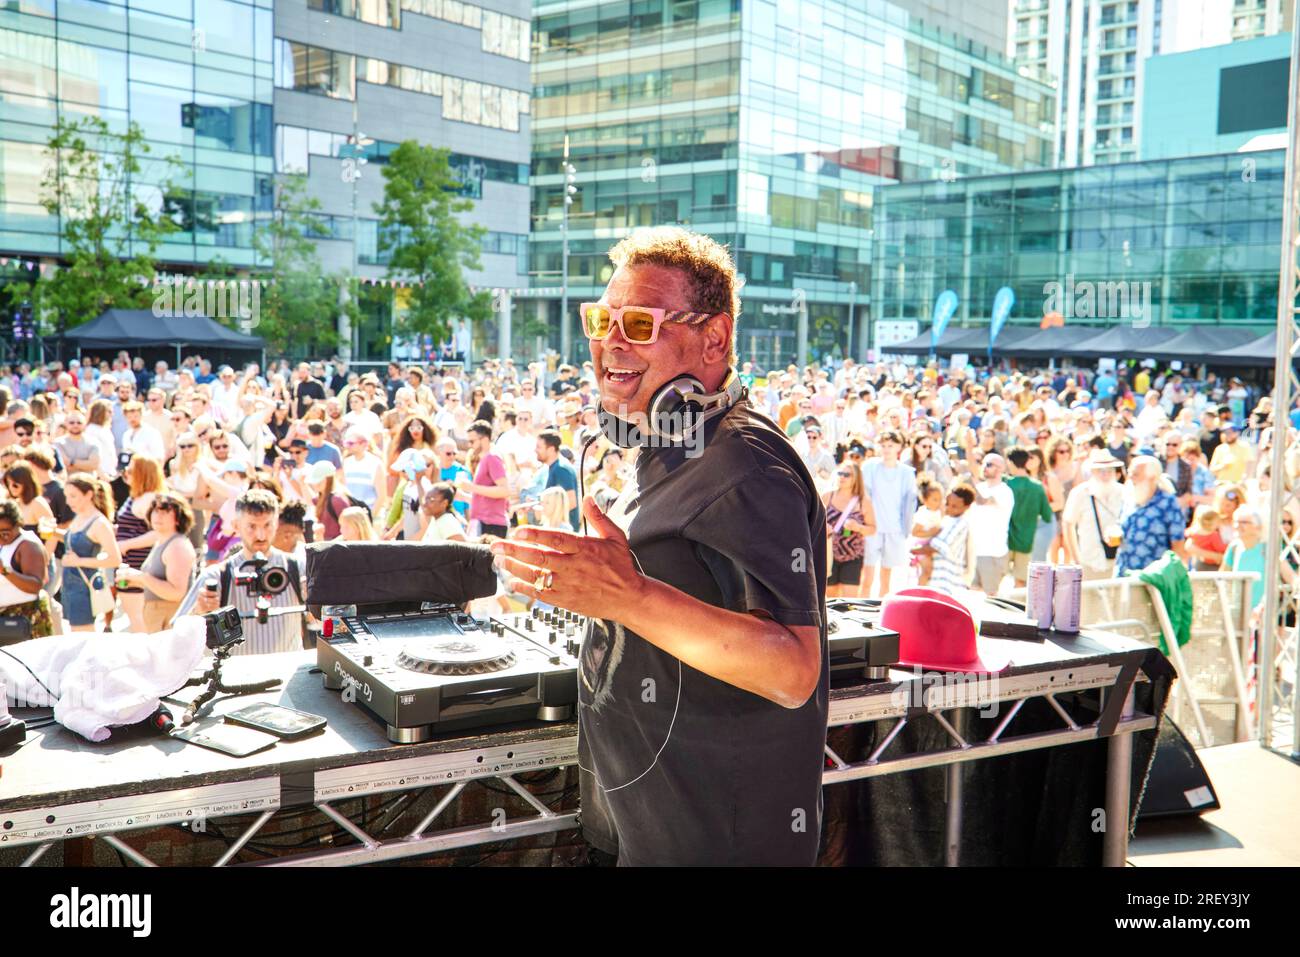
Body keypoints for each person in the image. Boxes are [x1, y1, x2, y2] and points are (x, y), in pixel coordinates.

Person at [490, 226, 826, 866]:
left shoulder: (747, 466)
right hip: (658, 827)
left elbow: (791, 672)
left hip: (720, 841)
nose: (610, 342)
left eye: (640, 325)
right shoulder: (672, 447)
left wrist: (628, 595)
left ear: (715, 338)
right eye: (601, 320)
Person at [174, 489, 308, 655]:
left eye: (267, 525)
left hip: (288, 676)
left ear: (277, 523)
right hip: (236, 677)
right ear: (236, 525)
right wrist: (199, 612)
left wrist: (315, 601)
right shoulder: (216, 576)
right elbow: (176, 632)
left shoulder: (298, 568)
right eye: (252, 526)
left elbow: (320, 622)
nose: (260, 535)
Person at [120, 493, 197, 633]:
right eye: (156, 510)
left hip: (169, 621)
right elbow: (158, 582)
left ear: (178, 519)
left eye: (165, 512)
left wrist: (140, 577)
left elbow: (176, 593)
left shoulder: (177, 546)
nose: (158, 516)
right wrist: (132, 580)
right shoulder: (161, 541)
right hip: (156, 619)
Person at [57, 474, 122, 632]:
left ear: (89, 494)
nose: (68, 501)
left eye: (73, 496)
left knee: (83, 638)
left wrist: (79, 561)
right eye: (67, 496)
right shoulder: (79, 516)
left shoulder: (99, 523)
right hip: (70, 585)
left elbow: (115, 559)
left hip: (84, 585)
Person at [859, 430, 917, 597]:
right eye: (883, 445)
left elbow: (909, 504)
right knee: (867, 576)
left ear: (898, 447)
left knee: (886, 577)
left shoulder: (906, 472)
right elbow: (864, 495)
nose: (886, 449)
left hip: (894, 528)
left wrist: (905, 529)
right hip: (872, 528)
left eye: (890, 445)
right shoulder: (870, 467)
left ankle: (880, 611)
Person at [1115, 455, 1187, 576]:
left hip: (1153, 578)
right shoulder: (1129, 499)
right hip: (1124, 573)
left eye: (1136, 474)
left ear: (1152, 477)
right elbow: (1120, 526)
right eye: (1130, 472)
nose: (1130, 477)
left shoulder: (1168, 502)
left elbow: (1178, 544)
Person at [1062, 450, 1126, 580]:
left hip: (1118, 561)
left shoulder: (1124, 492)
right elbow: (1068, 524)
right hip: (1089, 561)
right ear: (1092, 472)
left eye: (1109, 470)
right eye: (1101, 471)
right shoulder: (1080, 493)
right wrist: (1076, 559)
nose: (1106, 475)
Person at [0, 499, 54, 638]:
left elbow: (35, 585)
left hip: (25, 620)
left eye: (4, 532)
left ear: (18, 525)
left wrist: (5, 571)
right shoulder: (5, 543)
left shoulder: (29, 545)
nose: (1, 537)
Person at [1004, 447, 1054, 588]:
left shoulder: (1005, 483)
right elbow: (1047, 515)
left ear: (1011, 462)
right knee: (1021, 582)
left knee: (998, 581)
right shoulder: (1037, 487)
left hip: (1004, 540)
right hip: (1026, 541)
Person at [824, 462, 875, 598]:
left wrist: (858, 527)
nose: (842, 477)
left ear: (856, 478)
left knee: (849, 601)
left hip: (853, 556)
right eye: (840, 473)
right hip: (829, 556)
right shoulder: (827, 496)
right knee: (830, 600)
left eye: (847, 474)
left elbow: (872, 529)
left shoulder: (863, 501)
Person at [915, 483, 977, 594]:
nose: (948, 508)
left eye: (954, 506)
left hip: (947, 582)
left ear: (966, 507)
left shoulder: (959, 523)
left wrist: (911, 551)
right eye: (947, 503)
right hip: (936, 581)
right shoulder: (946, 519)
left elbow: (935, 547)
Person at [967, 452, 1014, 594]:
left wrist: (969, 479)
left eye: (989, 464)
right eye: (983, 463)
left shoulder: (1005, 491)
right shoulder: (980, 487)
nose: (984, 467)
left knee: (991, 597)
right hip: (974, 552)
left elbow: (983, 501)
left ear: (1000, 469)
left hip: (992, 553)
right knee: (973, 595)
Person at [459, 420, 510, 538]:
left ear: (485, 439)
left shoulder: (492, 457)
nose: (469, 445)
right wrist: (464, 496)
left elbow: (504, 490)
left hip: (491, 524)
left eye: (472, 441)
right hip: (484, 522)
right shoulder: (485, 459)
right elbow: (486, 497)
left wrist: (471, 487)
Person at [536, 428, 580, 530]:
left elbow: (571, 502)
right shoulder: (554, 467)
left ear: (551, 449)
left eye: (539, 447)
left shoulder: (561, 469)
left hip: (563, 534)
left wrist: (544, 511)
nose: (535, 450)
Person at [1184, 504, 1227, 572]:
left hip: (1200, 563)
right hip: (1213, 564)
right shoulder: (1213, 535)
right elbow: (1220, 547)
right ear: (1212, 523)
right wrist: (1228, 546)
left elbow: (1186, 533)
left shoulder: (1194, 533)